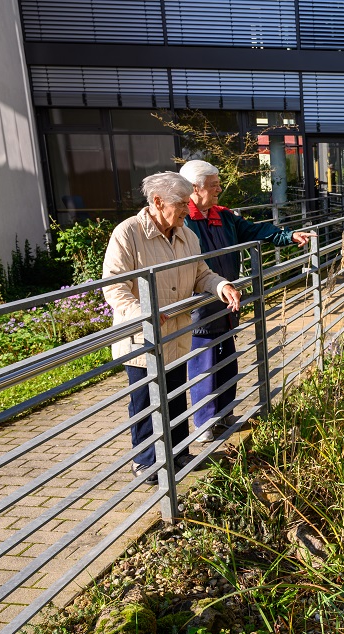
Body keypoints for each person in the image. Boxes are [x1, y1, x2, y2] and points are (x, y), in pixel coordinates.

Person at [102, 171, 242, 484]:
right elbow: (114, 286)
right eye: (180, 203)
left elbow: (201, 274)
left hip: (178, 334)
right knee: (147, 401)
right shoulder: (128, 233)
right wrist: (143, 312)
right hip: (143, 338)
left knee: (176, 395)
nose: (185, 208)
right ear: (156, 202)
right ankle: (147, 463)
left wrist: (221, 286)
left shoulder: (187, 235)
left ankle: (178, 454)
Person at [178, 160, 314, 442]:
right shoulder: (184, 222)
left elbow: (255, 231)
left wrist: (288, 236)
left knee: (227, 360)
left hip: (228, 302)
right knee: (204, 364)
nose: (219, 189)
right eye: (213, 185)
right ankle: (205, 424)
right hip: (199, 306)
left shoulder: (223, 216)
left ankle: (225, 414)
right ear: (194, 188)